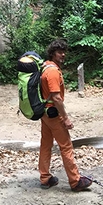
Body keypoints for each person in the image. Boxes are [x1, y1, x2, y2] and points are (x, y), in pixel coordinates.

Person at [38, 39, 92, 192]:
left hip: (45, 114)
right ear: (52, 53)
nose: (63, 54)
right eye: (59, 52)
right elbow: (56, 98)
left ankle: (45, 178)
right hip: (54, 115)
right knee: (66, 146)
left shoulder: (44, 67)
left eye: (64, 51)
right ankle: (75, 181)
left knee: (46, 145)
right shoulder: (53, 72)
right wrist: (66, 118)